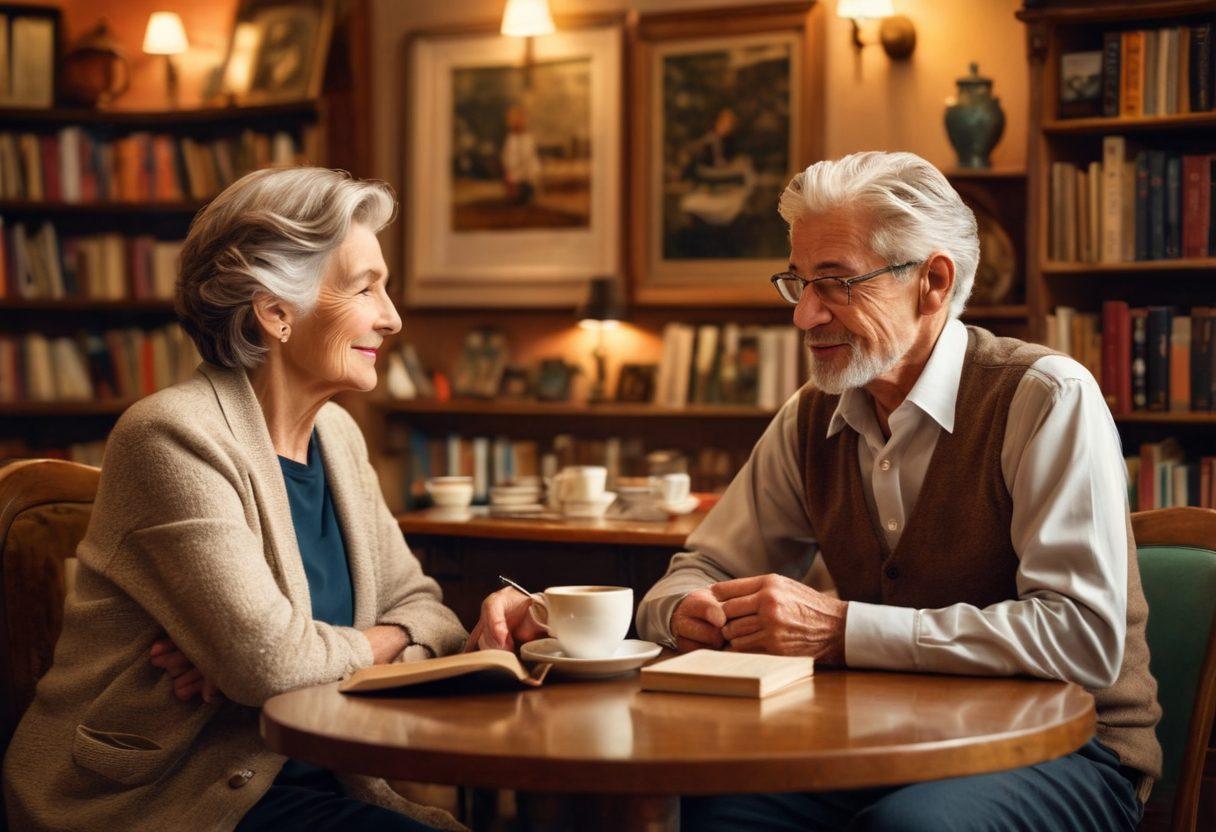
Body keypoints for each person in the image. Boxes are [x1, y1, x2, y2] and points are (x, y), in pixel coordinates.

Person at [479, 151, 1163, 831]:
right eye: (798, 282)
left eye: (835, 283)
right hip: (878, 744)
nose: (805, 315)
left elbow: (1082, 639)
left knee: (915, 827)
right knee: (721, 813)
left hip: (1070, 751)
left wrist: (841, 630)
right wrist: (685, 612)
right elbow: (697, 572)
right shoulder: (812, 414)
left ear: (932, 281)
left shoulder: (1045, 399)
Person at [3, 167, 469, 831]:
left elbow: (431, 615)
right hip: (161, 799)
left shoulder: (336, 435)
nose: (391, 318)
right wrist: (294, 666)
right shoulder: (170, 435)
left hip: (318, 782)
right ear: (276, 310)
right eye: (367, 288)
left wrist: (308, 664)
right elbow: (272, 666)